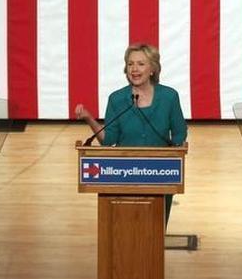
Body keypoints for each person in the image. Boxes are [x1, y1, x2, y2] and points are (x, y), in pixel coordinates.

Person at [75, 42, 187, 223]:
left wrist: (173, 155)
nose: (134, 69)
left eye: (141, 64)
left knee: (155, 232)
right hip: (124, 174)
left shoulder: (169, 97)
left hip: (160, 174)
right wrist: (89, 118)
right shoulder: (117, 99)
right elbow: (108, 140)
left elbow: (180, 133)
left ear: (152, 69)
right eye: (130, 64)